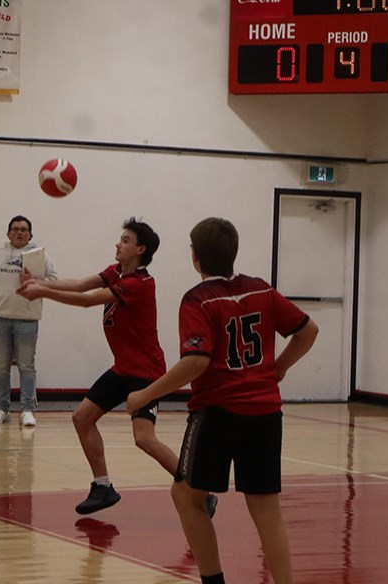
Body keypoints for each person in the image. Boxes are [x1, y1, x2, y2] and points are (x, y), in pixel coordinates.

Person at [126, 217, 319, 584]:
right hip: (265, 412)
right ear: (233, 253)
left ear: (195, 257)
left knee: (186, 497)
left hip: (218, 412)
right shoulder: (261, 290)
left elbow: (196, 362)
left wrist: (146, 395)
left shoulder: (198, 300)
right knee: (266, 509)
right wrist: (278, 368)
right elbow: (308, 331)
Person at [19, 218, 216, 516]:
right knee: (82, 417)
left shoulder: (139, 284)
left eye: (124, 240)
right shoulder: (116, 272)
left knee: (144, 439)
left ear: (140, 249)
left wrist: (43, 292)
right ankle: (102, 487)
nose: (117, 244)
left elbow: (87, 301)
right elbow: (82, 284)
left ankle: (201, 491)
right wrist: (41, 283)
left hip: (145, 374)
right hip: (122, 369)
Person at [0, 215, 57, 427]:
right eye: (16, 229)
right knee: (0, 367)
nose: (20, 232)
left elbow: (54, 282)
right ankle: (2, 408)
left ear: (31, 234)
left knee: (27, 366)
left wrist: (36, 281)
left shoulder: (40, 256)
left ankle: (27, 409)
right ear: (8, 233)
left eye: (24, 229)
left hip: (27, 321)